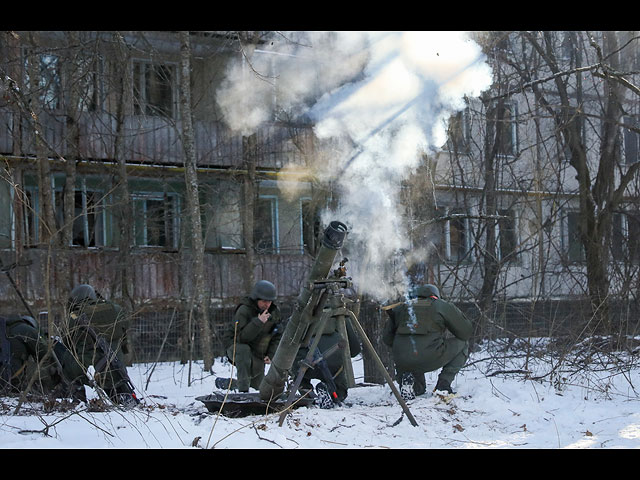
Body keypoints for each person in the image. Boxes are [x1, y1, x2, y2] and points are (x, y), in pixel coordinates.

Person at [382, 284, 472, 399]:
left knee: (418, 390)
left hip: (403, 361)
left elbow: (387, 338)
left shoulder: (402, 307)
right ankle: (443, 386)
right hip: (429, 356)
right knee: (463, 342)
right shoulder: (440, 305)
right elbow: (465, 332)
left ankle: (408, 380)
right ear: (435, 295)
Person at [63, 284, 135, 405]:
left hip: (90, 369)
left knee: (65, 358)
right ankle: (124, 398)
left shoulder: (74, 317)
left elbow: (68, 343)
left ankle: (79, 398)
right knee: (119, 389)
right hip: (117, 368)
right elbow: (124, 337)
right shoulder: (115, 309)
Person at [216, 280, 283, 393]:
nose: (267, 304)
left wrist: (271, 354)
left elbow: (277, 335)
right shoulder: (244, 310)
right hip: (236, 349)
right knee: (243, 351)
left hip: (257, 353)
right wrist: (258, 322)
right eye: (264, 301)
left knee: (258, 390)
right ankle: (242, 392)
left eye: (270, 301)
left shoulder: (274, 313)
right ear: (256, 299)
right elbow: (241, 338)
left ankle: (228, 384)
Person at [0, 313, 86, 400]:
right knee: (46, 367)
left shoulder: (6, 330)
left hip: (4, 378)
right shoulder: (25, 329)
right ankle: (51, 391)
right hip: (13, 377)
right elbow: (45, 352)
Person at [293, 309, 361, 408]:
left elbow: (287, 347)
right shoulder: (339, 314)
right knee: (340, 378)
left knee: (297, 371)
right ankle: (335, 394)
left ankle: (306, 394)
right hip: (334, 365)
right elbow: (355, 350)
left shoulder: (300, 314)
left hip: (306, 364)